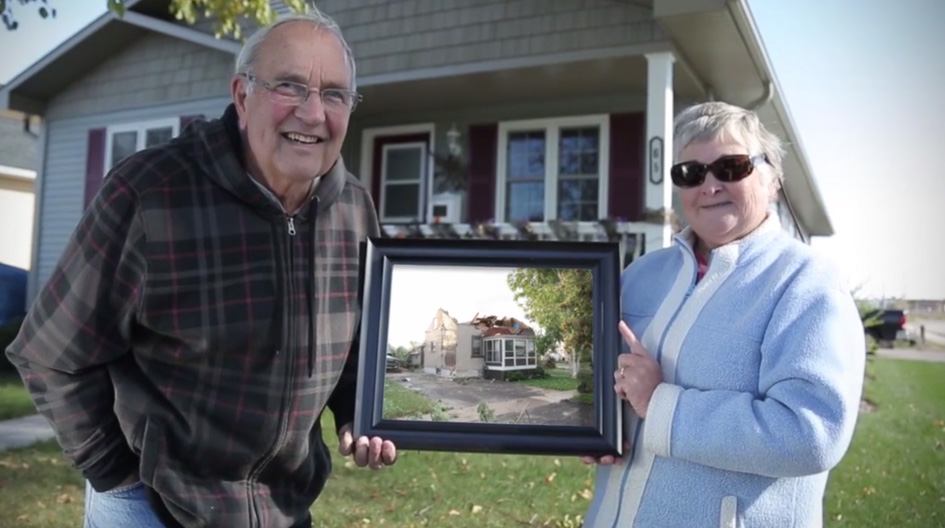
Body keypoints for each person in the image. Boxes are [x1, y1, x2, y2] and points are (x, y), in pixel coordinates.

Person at [5, 10, 396, 528]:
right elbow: (49, 353)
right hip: (152, 505)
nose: (312, 113)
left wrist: (357, 414)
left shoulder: (354, 212)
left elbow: (354, 355)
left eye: (334, 95)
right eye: (290, 86)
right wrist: (115, 473)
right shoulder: (150, 193)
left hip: (285, 508)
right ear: (241, 95)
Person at [583, 102, 864, 527]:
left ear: (773, 178)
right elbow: (615, 384)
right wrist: (596, 425)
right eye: (690, 173)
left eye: (731, 167)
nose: (709, 186)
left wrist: (661, 404)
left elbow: (810, 435)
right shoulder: (642, 275)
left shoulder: (807, 282)